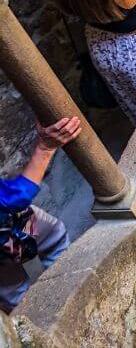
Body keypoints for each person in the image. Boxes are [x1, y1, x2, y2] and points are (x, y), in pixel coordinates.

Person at [0, 118, 82, 313]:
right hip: (13, 224)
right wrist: (45, 148)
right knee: (55, 239)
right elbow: (16, 197)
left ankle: (37, 315)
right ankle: (67, 298)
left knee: (12, 288)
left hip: (14, 224)